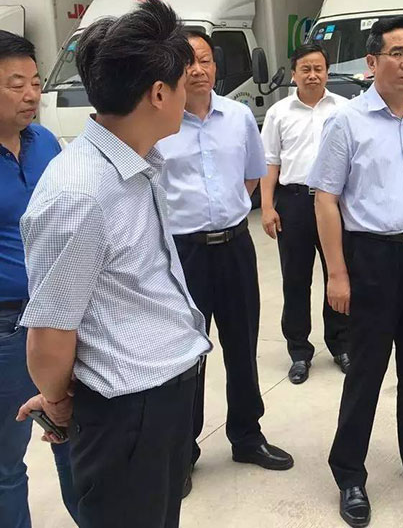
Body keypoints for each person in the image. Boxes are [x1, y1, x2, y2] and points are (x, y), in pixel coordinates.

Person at [18, 0, 211, 528]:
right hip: (128, 414)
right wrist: (57, 402)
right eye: (184, 80)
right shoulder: (80, 194)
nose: (192, 89)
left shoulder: (135, 163)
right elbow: (49, 334)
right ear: (158, 93)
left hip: (165, 395)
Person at [308, 16, 403, 528]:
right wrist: (337, 273)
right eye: (396, 53)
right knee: (368, 369)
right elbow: (326, 200)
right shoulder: (347, 122)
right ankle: (349, 473)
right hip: (372, 258)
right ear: (372, 61)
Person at [158, 31, 294, 496]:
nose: (197, 70)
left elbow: (252, 177)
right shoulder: (161, 124)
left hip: (235, 246)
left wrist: (225, 212)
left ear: (215, 66)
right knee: (187, 354)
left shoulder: (238, 117)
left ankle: (247, 435)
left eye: (204, 60)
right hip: (184, 253)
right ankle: (183, 450)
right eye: (187, 62)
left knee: (242, 343)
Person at [0, 30, 78, 527]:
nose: (31, 95)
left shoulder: (46, 142)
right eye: (16, 84)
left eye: (34, 82)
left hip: (62, 316)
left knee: (73, 435)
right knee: (6, 460)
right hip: (7, 328)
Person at [261, 43, 350, 384]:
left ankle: (341, 344)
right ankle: (299, 352)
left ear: (327, 72)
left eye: (319, 69)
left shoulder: (344, 109)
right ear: (294, 73)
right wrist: (267, 207)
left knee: (338, 274)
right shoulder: (279, 112)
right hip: (294, 202)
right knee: (295, 280)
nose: (313, 75)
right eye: (306, 69)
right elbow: (270, 162)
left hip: (335, 204)